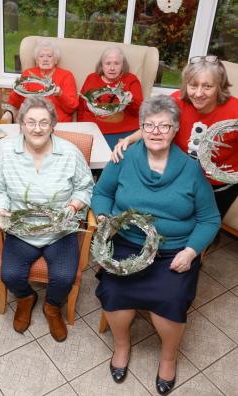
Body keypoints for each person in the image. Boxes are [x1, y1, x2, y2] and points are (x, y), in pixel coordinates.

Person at [91, 95, 220, 394]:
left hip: (174, 250)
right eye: (149, 125)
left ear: (175, 130)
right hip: (127, 242)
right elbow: (102, 195)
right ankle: (121, 347)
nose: (156, 131)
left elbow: (210, 219)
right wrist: (103, 219)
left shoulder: (190, 169)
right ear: (141, 128)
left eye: (165, 125)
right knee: (112, 291)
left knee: (171, 301)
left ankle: (168, 357)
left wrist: (190, 252)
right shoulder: (123, 158)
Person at [0, 97, 93, 342]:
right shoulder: (7, 152)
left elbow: (85, 187)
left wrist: (74, 205)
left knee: (65, 277)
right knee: (9, 275)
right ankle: (26, 298)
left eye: (44, 122)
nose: (37, 128)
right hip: (22, 231)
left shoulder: (69, 153)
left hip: (60, 230)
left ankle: (52, 307)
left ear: (53, 125)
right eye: (30, 122)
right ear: (21, 124)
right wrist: (1, 209)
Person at [112, 56, 238, 219]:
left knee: (206, 225)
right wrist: (128, 140)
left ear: (219, 87)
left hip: (217, 187)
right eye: (193, 85)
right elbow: (154, 127)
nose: (198, 93)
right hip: (181, 178)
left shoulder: (234, 111)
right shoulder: (177, 100)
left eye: (207, 86)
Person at [77, 46, 143, 149]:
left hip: (123, 133)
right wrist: (81, 128)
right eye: (108, 63)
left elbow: (139, 111)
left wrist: (130, 100)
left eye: (117, 63)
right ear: (101, 65)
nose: (112, 68)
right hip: (92, 131)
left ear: (123, 65)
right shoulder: (91, 78)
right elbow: (81, 105)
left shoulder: (131, 80)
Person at [0, 39, 79, 123]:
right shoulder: (28, 74)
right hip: (32, 123)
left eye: (49, 56)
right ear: (37, 61)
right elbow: (14, 103)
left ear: (56, 60)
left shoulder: (66, 76)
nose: (45, 59)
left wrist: (60, 94)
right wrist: (17, 90)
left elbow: (72, 107)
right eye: (41, 56)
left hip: (57, 124)